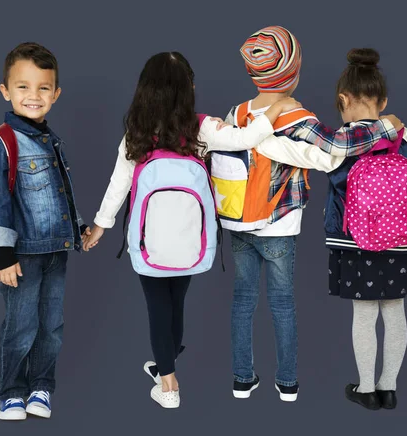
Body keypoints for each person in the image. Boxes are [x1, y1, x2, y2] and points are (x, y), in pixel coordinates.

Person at [82, 51, 300, 409]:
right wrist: (275, 109)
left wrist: (100, 227)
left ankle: (168, 385)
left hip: (147, 240)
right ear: (187, 90)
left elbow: (118, 184)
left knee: (156, 305)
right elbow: (246, 139)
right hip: (190, 241)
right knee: (176, 303)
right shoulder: (201, 127)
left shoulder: (135, 135)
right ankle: (165, 366)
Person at [220, 26, 404, 402]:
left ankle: (242, 381)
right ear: (294, 71)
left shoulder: (236, 113)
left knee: (242, 303)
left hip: (238, 221)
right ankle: (287, 384)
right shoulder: (296, 114)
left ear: (253, 73)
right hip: (279, 223)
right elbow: (335, 149)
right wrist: (383, 127)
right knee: (283, 304)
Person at [0, 42, 89, 420]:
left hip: (55, 248)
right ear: (5, 91)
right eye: (23, 87)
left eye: (43, 88)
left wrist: (78, 229)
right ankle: (11, 391)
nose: (33, 96)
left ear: (55, 94)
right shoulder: (0, 143)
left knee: (51, 325)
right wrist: (3, 256)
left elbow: (59, 195)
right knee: (20, 326)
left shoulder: (50, 139)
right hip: (21, 255)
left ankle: (41, 387)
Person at [323, 48, 407, 410]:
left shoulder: (343, 141)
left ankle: (366, 389)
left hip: (357, 241)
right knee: (395, 312)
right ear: (382, 100)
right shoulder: (403, 135)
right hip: (402, 238)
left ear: (343, 100)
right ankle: (389, 388)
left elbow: (317, 162)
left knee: (365, 315)